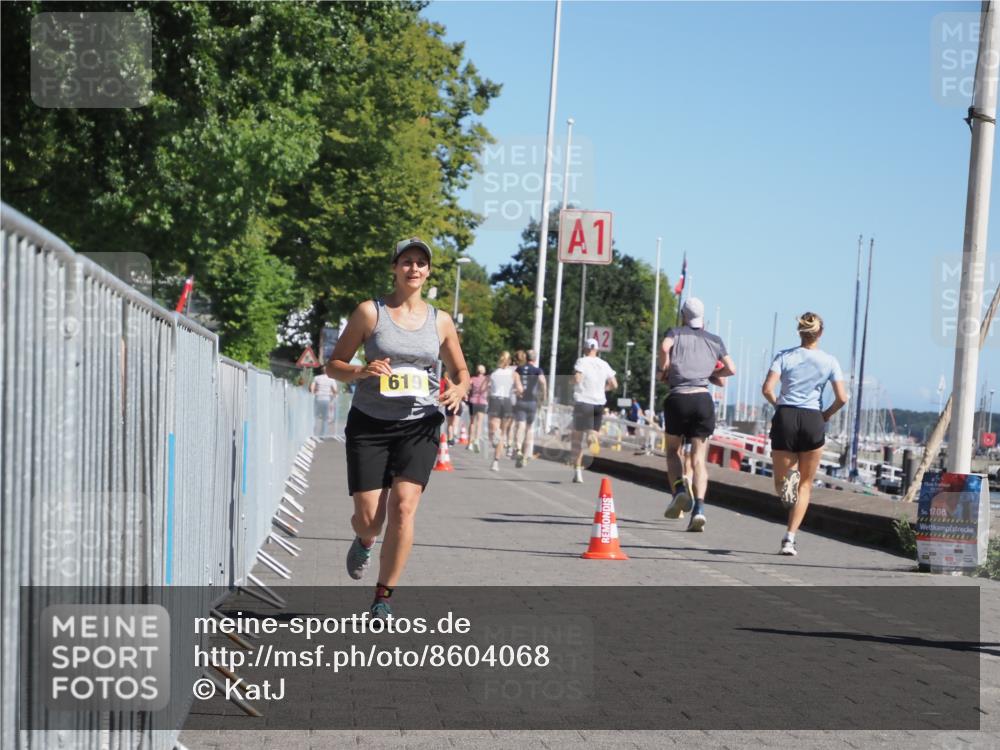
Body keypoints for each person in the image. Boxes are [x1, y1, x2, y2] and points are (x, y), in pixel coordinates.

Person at [326, 237, 469, 618]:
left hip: (419, 424)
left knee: (404, 508)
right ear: (394, 268)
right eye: (407, 261)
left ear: (428, 271)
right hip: (370, 424)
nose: (414, 269)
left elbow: (461, 370)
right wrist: (360, 370)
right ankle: (364, 538)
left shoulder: (440, 320)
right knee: (371, 519)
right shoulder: (369, 313)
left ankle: (383, 598)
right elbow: (333, 365)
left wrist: (458, 388)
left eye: (421, 263)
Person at [761, 312, 848, 556]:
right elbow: (842, 397)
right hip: (812, 418)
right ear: (820, 333)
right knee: (806, 485)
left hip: (786, 415)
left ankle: (787, 492)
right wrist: (827, 414)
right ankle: (789, 539)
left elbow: (767, 389)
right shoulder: (830, 361)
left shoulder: (784, 356)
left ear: (799, 332)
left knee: (783, 482)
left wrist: (778, 403)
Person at [660, 297, 736, 531]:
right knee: (699, 459)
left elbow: (664, 347)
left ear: (683, 314)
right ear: (703, 318)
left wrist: (665, 368)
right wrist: (711, 376)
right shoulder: (715, 340)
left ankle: (680, 490)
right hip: (702, 399)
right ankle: (699, 509)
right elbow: (731, 369)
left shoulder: (675, 332)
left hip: (678, 397)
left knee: (673, 450)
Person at [570, 338, 617, 483]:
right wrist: (603, 389)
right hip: (598, 404)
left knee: (577, 439)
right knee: (592, 435)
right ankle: (592, 438)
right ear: (596, 349)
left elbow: (577, 379)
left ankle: (578, 471)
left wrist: (571, 381)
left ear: (585, 349)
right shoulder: (604, 364)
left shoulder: (582, 361)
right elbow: (614, 384)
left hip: (583, 401)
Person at [512, 349, 547, 468]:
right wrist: (544, 396)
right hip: (532, 401)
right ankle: (526, 455)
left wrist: (519, 388)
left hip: (521, 400)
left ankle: (518, 448)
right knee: (529, 429)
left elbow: (516, 380)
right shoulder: (538, 370)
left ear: (526, 358)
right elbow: (542, 382)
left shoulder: (519, 369)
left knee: (520, 426)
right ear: (535, 359)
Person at [487, 351, 518, 472]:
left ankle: (495, 433)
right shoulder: (513, 374)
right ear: (509, 361)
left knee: (494, 428)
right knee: (503, 433)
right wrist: (517, 391)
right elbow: (520, 388)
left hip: (495, 400)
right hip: (507, 402)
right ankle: (495, 462)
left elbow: (487, 388)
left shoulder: (494, 373)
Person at [310, 371, 339, 439]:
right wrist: (333, 397)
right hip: (326, 400)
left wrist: (313, 394)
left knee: (315, 417)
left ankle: (313, 433)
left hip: (317, 399)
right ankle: (322, 435)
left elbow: (312, 388)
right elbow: (335, 391)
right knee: (325, 418)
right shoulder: (331, 379)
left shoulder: (316, 378)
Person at [467, 364, 489, 452]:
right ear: (483, 371)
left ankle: (470, 443)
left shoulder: (472, 379)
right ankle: (477, 440)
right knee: (479, 423)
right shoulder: (486, 379)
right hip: (482, 402)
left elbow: (468, 387)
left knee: (472, 422)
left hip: (473, 401)